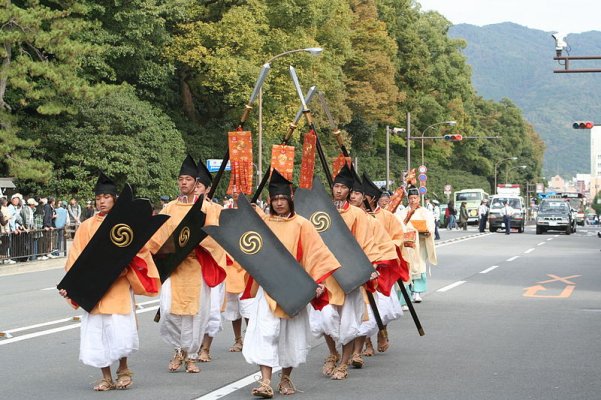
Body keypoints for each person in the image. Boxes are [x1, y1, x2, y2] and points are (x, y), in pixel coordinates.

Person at [59, 172, 161, 391]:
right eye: (98, 198)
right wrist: (72, 285)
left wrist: (127, 268)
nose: (102, 201)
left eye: (106, 197)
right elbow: (75, 258)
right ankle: (106, 377)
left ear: (114, 198)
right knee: (97, 333)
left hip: (118, 286)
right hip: (94, 287)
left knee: (119, 331)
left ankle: (123, 370)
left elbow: (140, 253)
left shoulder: (125, 224)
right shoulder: (86, 226)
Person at [243, 169, 340, 397]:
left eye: (282, 199)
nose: (278, 203)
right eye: (275, 199)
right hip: (268, 286)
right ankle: (265, 381)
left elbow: (316, 254)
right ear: (270, 200)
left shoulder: (303, 225)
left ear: (290, 200)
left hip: (295, 287)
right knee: (265, 331)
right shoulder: (262, 224)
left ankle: (285, 378)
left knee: (290, 335)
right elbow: (250, 250)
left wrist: (317, 282)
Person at [148, 155, 226, 374]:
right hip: (173, 267)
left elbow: (214, 236)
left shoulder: (206, 208)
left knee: (196, 313)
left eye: (188, 179)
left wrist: (195, 244)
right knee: (169, 311)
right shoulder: (169, 208)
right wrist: (164, 252)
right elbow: (157, 237)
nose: (184, 183)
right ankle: (177, 350)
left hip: (196, 266)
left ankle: (191, 356)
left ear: (195, 183)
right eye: (181, 179)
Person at [397, 186, 438, 303]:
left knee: (419, 267)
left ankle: (417, 292)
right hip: (407, 245)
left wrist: (427, 231)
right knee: (407, 268)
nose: (413, 200)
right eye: (410, 198)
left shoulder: (425, 212)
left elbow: (430, 226)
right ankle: (406, 295)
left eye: (415, 198)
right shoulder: (402, 212)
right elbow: (400, 226)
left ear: (419, 199)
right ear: (408, 199)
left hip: (420, 244)